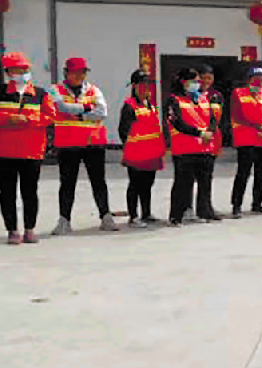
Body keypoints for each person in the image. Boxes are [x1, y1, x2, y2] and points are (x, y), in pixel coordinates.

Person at [49, 57, 115, 234]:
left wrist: (78, 114)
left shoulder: (94, 90)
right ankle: (64, 221)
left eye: (83, 72)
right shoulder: (55, 90)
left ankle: (106, 216)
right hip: (68, 145)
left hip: (93, 143)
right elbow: (61, 107)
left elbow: (102, 112)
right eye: (75, 72)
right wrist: (87, 107)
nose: (79, 75)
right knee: (67, 183)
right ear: (66, 72)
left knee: (98, 182)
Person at [1, 52, 56, 245]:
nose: (23, 72)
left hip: (31, 151)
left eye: (25, 69)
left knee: (30, 192)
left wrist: (30, 119)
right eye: (18, 69)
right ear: (8, 72)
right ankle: (12, 230)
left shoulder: (41, 94)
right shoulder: (2, 92)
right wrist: (9, 119)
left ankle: (30, 229)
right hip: (5, 152)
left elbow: (50, 116)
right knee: (7, 193)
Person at [166, 68, 219, 226]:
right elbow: (177, 123)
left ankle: (204, 211)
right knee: (183, 183)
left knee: (205, 182)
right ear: (183, 82)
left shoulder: (202, 98)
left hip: (204, 147)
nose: (197, 84)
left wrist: (209, 132)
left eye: (198, 82)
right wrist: (198, 133)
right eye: (193, 81)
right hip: (185, 148)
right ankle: (177, 215)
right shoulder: (174, 99)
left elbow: (212, 119)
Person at [117, 69, 166, 229]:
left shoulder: (150, 105)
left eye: (147, 84)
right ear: (134, 86)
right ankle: (133, 216)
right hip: (136, 153)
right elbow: (123, 131)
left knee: (148, 183)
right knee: (135, 184)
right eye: (141, 84)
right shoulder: (129, 106)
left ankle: (146, 213)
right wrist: (132, 147)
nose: (145, 88)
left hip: (150, 153)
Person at [230, 67, 262, 218]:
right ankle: (236, 205)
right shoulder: (239, 93)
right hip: (246, 139)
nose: (259, 80)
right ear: (248, 79)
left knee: (261, 174)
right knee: (243, 173)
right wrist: (257, 126)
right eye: (255, 77)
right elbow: (237, 116)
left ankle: (257, 203)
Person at [184, 64, 226, 223]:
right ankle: (187, 208)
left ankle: (205, 208)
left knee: (206, 177)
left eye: (210, 77)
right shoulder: (192, 95)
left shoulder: (217, 96)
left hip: (211, 139)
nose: (207, 81)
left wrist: (212, 132)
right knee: (190, 177)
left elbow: (218, 118)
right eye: (204, 77)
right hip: (195, 138)